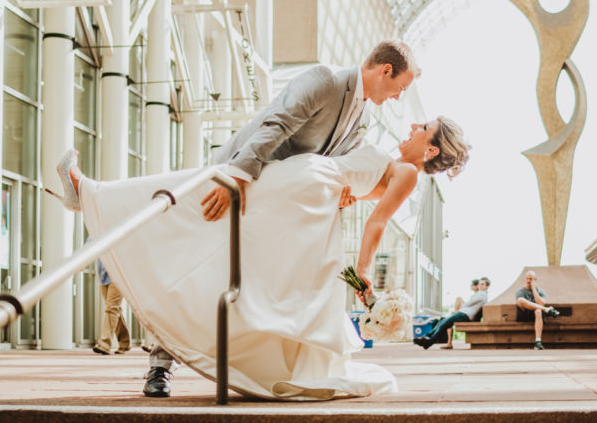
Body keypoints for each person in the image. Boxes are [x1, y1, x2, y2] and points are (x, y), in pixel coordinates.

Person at [56, 117, 470, 400]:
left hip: (306, 186)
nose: (414, 127)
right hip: (310, 192)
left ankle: (96, 195)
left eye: (424, 128)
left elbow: (377, 221)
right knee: (213, 217)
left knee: (199, 195)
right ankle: (97, 197)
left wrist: (363, 275)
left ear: (431, 150)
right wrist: (348, 193)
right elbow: (361, 190)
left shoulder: (409, 172)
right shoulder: (399, 167)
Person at [153, 40, 420, 397]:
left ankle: (245, 366)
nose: (399, 97)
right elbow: (275, 123)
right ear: (385, 71)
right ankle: (160, 365)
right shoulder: (324, 80)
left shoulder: (364, 119)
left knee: (244, 282)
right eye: (401, 88)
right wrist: (238, 175)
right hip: (242, 180)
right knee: (198, 267)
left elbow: (333, 164)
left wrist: (343, 190)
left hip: (279, 209)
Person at [413, 277, 490, 350]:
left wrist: (462, 305)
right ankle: (427, 337)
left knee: (444, 324)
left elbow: (467, 304)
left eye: (483, 284)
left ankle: (428, 342)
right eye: (479, 284)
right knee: (442, 322)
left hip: (465, 315)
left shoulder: (482, 295)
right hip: (463, 313)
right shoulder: (479, 294)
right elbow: (467, 305)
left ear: (487, 286)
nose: (480, 285)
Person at [93, 258, 130, 355]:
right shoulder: (93, 241)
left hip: (118, 277)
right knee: (114, 309)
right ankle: (124, 342)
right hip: (103, 278)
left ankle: (105, 344)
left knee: (111, 309)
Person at [516, 270, 560, 350]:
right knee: (520, 300)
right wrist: (545, 308)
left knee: (538, 311)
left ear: (535, 280)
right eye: (527, 278)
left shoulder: (541, 291)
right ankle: (547, 310)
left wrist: (533, 288)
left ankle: (538, 342)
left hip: (537, 316)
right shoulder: (520, 291)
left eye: (531, 279)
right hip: (525, 314)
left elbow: (541, 303)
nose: (529, 281)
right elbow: (521, 305)